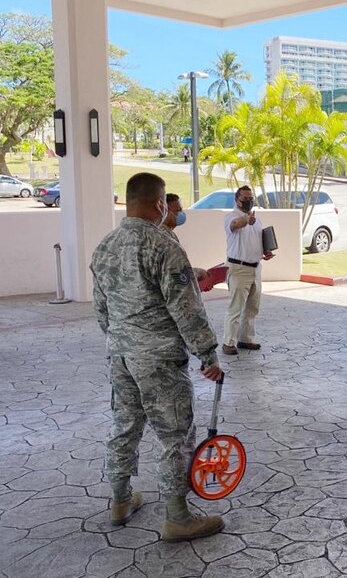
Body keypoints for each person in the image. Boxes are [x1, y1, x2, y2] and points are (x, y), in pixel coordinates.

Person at [91, 172, 225, 542]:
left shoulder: (105, 246)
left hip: (121, 354)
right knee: (175, 434)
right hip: (159, 359)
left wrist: (123, 340)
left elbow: (101, 310)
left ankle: (120, 499)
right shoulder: (163, 245)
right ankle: (178, 517)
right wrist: (208, 354)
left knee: (125, 424)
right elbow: (186, 309)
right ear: (159, 203)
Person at [222, 185, 274, 355]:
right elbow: (236, 225)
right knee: (235, 308)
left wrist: (265, 251)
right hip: (238, 268)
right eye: (245, 198)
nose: (249, 201)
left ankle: (245, 339)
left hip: (255, 268)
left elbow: (258, 239)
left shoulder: (257, 219)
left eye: (251, 198)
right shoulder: (231, 217)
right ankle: (228, 342)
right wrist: (246, 220)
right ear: (237, 199)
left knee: (252, 307)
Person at [163, 193, 208, 284]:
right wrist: (196, 273)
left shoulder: (169, 234)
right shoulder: (163, 238)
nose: (181, 213)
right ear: (165, 212)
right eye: (177, 211)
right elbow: (174, 274)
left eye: (181, 210)